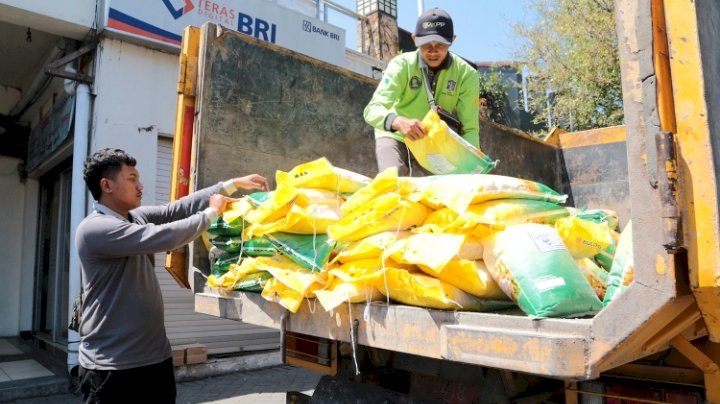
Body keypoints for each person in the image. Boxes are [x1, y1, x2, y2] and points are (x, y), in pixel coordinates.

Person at [74, 148, 269, 403]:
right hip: (113, 368)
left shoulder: (135, 217)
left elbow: (176, 210)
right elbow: (164, 236)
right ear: (106, 185)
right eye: (132, 178)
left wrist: (229, 185)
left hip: (155, 360)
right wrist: (211, 214)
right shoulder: (95, 229)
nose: (140, 185)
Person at [363, 7, 480, 176]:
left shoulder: (467, 74)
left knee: (439, 192)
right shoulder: (401, 65)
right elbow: (372, 110)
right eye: (426, 44)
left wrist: (472, 165)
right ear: (414, 38)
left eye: (440, 44)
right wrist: (397, 122)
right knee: (393, 181)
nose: (433, 51)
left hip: (433, 141)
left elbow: (469, 129)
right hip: (396, 134)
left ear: (452, 40)